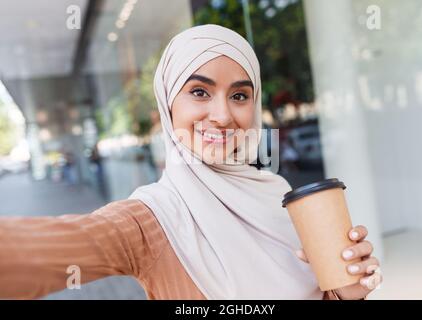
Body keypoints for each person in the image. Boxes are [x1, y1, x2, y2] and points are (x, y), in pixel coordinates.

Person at [0, 24, 381, 300]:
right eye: (199, 91)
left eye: (239, 95)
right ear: (168, 105)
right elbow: (36, 254)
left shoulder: (278, 196)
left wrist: (346, 293)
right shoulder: (150, 220)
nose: (222, 115)